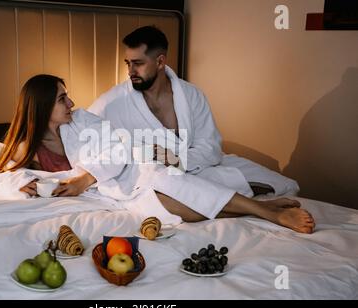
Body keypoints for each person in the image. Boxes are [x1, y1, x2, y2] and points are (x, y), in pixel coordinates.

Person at [0, 74, 315, 233]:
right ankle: (260, 208)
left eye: (67, 96)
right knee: (169, 209)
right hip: (114, 193)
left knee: (167, 179)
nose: (71, 103)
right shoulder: (25, 147)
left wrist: (87, 178)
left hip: (129, 166)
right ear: (42, 107)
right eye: (62, 99)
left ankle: (271, 214)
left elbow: (116, 147)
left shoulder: (82, 120)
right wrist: (20, 185)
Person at [88, 25, 299, 198]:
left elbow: (210, 147)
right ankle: (241, 196)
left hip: (199, 165)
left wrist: (176, 160)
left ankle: (235, 191)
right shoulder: (114, 101)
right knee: (172, 186)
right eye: (128, 63)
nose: (131, 71)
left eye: (138, 64)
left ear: (161, 61)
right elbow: (83, 132)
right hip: (159, 175)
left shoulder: (191, 95)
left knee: (285, 185)